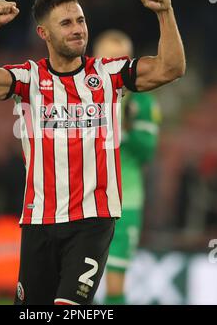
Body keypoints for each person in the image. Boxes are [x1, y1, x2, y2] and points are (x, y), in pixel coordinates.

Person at [0, 0, 185, 305]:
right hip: (39, 219)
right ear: (44, 33)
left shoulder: (109, 74)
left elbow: (172, 68)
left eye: (80, 20)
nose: (78, 29)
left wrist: (165, 13)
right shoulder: (29, 79)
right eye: (66, 23)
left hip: (93, 221)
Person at [93, 30, 161, 304]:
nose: (111, 63)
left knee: (115, 283)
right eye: (106, 57)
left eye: (119, 59)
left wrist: (122, 128)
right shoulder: (82, 96)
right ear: (94, 59)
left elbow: (147, 151)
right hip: (84, 199)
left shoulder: (142, 101)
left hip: (124, 202)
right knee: (73, 281)